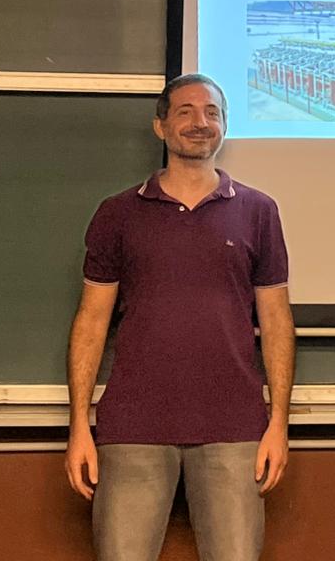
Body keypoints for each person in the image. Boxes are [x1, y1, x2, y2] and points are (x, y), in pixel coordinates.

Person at [65, 73, 295, 561]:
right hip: (134, 426)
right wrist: (79, 425)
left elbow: (276, 321)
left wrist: (279, 423)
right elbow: (91, 321)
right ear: (161, 126)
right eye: (185, 111)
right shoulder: (117, 214)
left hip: (235, 427)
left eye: (212, 113)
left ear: (225, 126)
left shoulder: (259, 211)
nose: (200, 123)